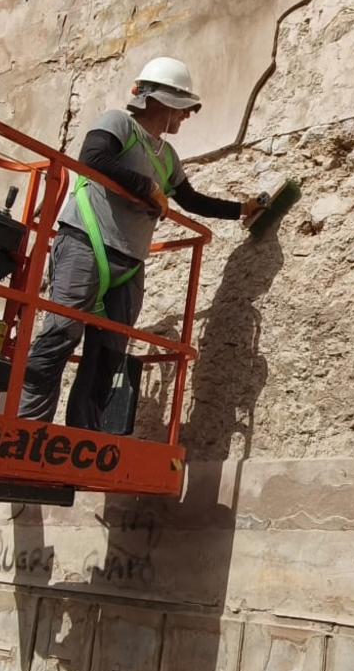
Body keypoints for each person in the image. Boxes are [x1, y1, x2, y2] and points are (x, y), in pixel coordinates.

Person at [18, 56, 256, 430]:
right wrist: (146, 188)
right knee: (59, 337)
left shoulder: (168, 156)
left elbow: (191, 200)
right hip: (86, 242)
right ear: (162, 102)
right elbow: (92, 158)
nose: (185, 118)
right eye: (183, 110)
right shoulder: (119, 124)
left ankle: (82, 435)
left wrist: (242, 210)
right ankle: (26, 428)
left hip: (129, 263)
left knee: (108, 354)